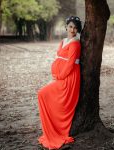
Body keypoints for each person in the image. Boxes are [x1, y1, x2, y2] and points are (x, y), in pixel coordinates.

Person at [37, 16, 82, 149]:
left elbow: (70, 64)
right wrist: (54, 73)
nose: (73, 29)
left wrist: (59, 77)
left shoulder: (75, 43)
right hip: (59, 76)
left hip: (69, 78)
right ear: (66, 27)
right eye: (70, 26)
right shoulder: (63, 41)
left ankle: (56, 131)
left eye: (75, 27)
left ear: (77, 29)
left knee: (42, 94)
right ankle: (50, 130)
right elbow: (58, 57)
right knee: (43, 95)